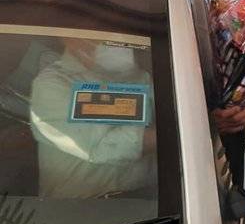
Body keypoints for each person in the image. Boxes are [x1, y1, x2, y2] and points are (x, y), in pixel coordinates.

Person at [30, 38, 156, 198]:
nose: (112, 41)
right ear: (70, 40)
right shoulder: (52, 83)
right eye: (98, 36)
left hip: (151, 200)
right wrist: (171, 136)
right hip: (86, 209)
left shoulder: (142, 76)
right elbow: (102, 147)